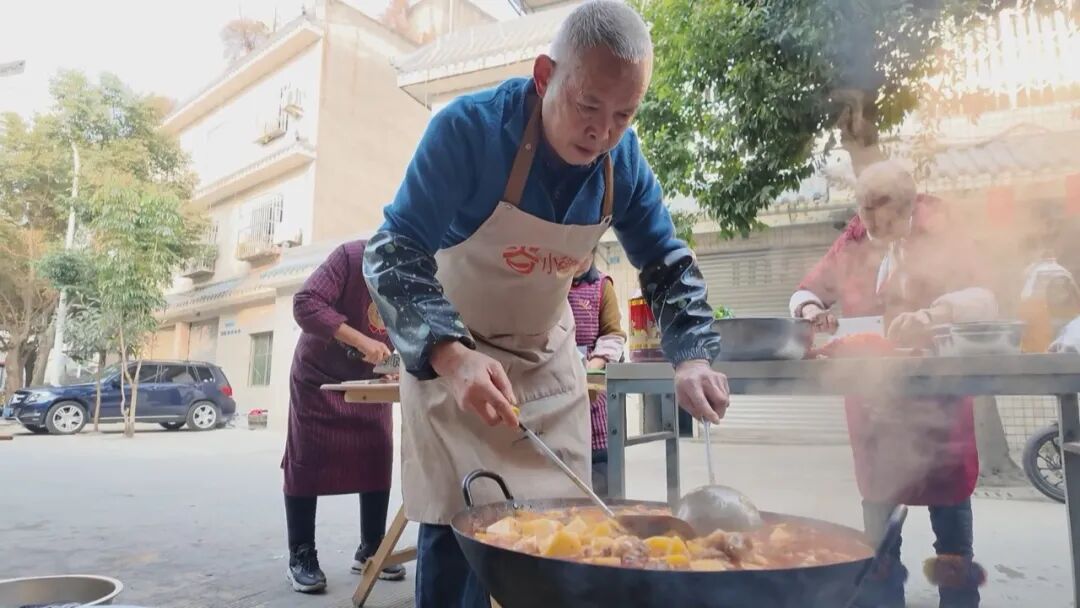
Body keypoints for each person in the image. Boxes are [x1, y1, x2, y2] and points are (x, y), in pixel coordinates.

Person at [362, 2, 731, 606]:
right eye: (588, 106)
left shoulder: (623, 163)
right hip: (453, 356)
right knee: (459, 533)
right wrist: (451, 356)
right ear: (544, 75)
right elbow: (392, 251)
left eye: (624, 115)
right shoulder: (469, 131)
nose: (602, 133)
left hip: (546, 364)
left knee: (567, 540)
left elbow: (665, 262)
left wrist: (691, 356)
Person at [790, 160, 997, 608]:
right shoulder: (855, 237)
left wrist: (935, 314)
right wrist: (811, 311)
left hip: (937, 400)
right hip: (874, 400)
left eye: (884, 222)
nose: (874, 232)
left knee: (952, 536)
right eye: (867, 219)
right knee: (879, 545)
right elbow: (807, 291)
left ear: (909, 207)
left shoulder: (942, 227)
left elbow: (985, 296)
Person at [281, 240, 405, 593]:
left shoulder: (413, 277)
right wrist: (361, 341)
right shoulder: (351, 257)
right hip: (318, 377)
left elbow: (405, 333)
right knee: (307, 461)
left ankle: (372, 548)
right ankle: (301, 555)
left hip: (369, 380)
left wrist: (394, 368)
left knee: (377, 454)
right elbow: (305, 304)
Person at [568, 249, 626, 497]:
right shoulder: (549, 286)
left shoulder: (602, 286)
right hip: (557, 384)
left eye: (584, 252)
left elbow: (613, 335)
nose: (577, 258)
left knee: (600, 481)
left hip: (592, 388)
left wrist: (592, 367)